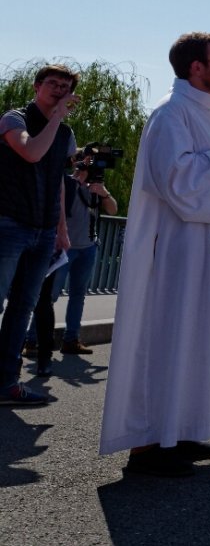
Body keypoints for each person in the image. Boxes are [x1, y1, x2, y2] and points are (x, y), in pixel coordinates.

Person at [99, 32, 210, 477]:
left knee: (196, 336)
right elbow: (175, 181)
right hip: (176, 251)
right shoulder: (170, 115)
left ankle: (181, 429)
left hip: (204, 248)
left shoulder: (205, 116)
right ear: (196, 68)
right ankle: (149, 444)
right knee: (168, 335)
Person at [0, 64, 79, 405]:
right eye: (53, 84)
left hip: (44, 229)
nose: (59, 90)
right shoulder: (14, 119)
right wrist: (56, 119)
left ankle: (6, 383)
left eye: (65, 86)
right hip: (9, 223)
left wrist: (61, 229)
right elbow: (31, 152)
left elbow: (58, 181)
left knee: (22, 309)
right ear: (36, 86)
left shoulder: (65, 133)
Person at [27, 149, 118, 375]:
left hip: (88, 247)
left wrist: (104, 194)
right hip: (64, 249)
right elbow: (53, 204)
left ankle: (71, 340)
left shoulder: (97, 187)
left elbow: (114, 209)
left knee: (78, 295)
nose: (90, 167)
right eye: (87, 162)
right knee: (49, 296)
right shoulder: (66, 183)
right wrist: (76, 178)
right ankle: (31, 340)